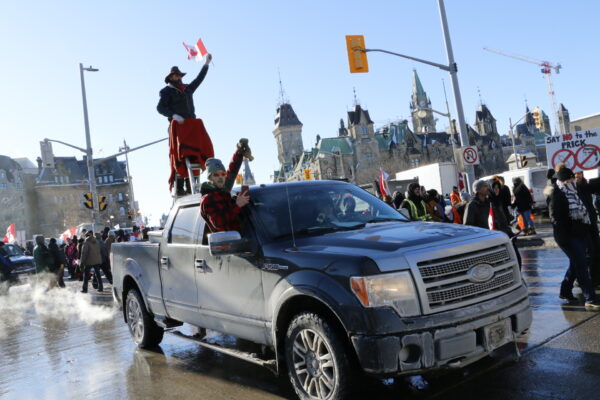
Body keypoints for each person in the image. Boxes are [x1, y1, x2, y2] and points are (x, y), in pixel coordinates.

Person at [157, 55, 215, 195]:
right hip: (178, 127)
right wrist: (173, 115)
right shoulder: (166, 91)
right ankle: (181, 186)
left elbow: (199, 79)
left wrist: (206, 64)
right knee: (180, 155)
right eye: (174, 75)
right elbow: (160, 108)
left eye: (178, 75)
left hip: (191, 125)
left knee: (194, 154)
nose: (177, 77)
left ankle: (192, 185)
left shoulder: (187, 89)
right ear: (170, 77)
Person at [549, 167, 600, 308]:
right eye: (571, 179)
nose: (573, 180)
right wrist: (564, 239)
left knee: (576, 263)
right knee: (581, 264)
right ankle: (590, 298)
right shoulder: (557, 195)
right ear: (565, 181)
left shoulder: (574, 192)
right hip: (568, 237)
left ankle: (565, 291)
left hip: (580, 233)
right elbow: (556, 219)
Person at [200, 139, 252, 233]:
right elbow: (218, 222)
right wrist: (237, 205)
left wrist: (239, 151)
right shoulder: (207, 199)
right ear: (210, 177)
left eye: (223, 174)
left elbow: (232, 170)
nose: (220, 177)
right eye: (216, 175)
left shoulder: (223, 189)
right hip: (226, 244)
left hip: (241, 241)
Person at [574, 171, 600, 286]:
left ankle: (595, 279)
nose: (577, 176)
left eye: (579, 173)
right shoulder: (570, 189)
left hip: (592, 223)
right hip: (581, 225)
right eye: (575, 174)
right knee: (586, 253)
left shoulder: (586, 185)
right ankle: (581, 279)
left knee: (596, 251)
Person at [490, 180, 522, 268]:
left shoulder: (500, 200)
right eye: (494, 188)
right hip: (496, 235)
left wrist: (512, 227)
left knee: (516, 258)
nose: (496, 190)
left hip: (505, 232)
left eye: (498, 188)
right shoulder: (489, 203)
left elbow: (504, 218)